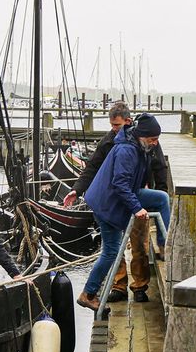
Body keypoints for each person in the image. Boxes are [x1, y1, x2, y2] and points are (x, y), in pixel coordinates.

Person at [64, 103, 168, 303]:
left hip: (128, 194)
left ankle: (141, 283)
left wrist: (156, 192)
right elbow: (97, 170)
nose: (114, 128)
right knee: (113, 250)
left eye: (117, 124)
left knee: (139, 242)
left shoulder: (147, 141)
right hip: (113, 200)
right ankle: (113, 287)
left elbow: (159, 166)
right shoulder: (120, 146)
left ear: (129, 122)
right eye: (112, 124)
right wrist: (77, 189)